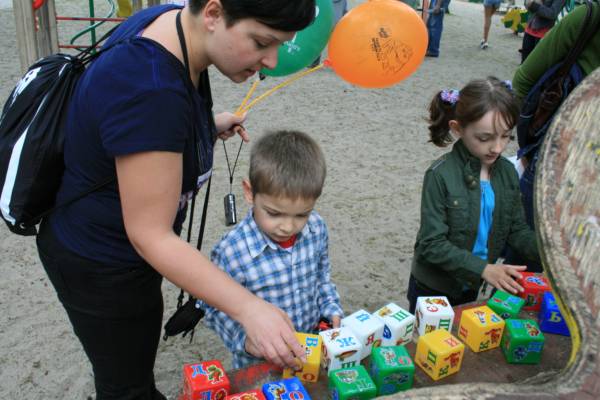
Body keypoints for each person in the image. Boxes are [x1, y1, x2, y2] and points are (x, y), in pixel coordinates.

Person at [35, 1, 316, 399]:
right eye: (261, 42)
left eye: (280, 45)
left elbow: (132, 128)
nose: (271, 62)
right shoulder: (150, 88)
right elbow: (150, 235)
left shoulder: (171, 23)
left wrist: (201, 127)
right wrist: (250, 308)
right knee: (126, 386)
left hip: (119, 250)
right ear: (213, 13)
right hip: (100, 262)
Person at [199, 130, 344, 368]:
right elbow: (213, 308)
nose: (288, 227)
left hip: (310, 353)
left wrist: (331, 309)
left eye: (301, 215)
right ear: (249, 192)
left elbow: (322, 278)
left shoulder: (316, 228)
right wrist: (246, 341)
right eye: (274, 213)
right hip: (260, 364)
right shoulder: (232, 251)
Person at [407, 77, 541, 314]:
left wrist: (550, 252)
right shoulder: (440, 175)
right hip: (433, 287)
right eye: (484, 138)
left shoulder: (508, 172)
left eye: (506, 136)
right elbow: (432, 244)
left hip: (471, 284)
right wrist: (483, 269)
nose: (497, 148)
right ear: (457, 128)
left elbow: (516, 229)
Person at [508, 1, 600, 271]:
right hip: (553, 164)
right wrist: (527, 147)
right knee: (527, 264)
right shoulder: (588, 18)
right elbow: (524, 80)